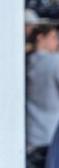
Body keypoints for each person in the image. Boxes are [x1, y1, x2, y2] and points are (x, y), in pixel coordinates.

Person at [30, 23, 59, 151]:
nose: (57, 42)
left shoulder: (25, 60)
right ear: (40, 37)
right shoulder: (55, 61)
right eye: (54, 37)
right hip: (52, 134)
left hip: (31, 137)